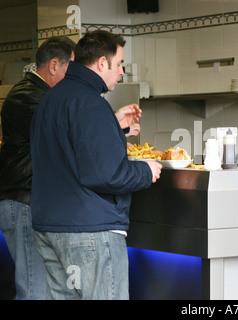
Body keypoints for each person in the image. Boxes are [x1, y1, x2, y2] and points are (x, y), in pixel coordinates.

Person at [30, 30, 162, 300]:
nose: (122, 72)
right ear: (102, 63)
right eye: (120, 64)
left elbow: (69, 150)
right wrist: (146, 171)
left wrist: (113, 128)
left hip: (49, 228)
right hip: (89, 231)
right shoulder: (91, 103)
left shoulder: (51, 99)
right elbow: (105, 174)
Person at [0, 36, 76, 300]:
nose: (74, 76)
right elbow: (61, 135)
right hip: (24, 203)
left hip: (31, 202)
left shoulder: (40, 95)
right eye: (71, 68)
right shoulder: (29, 97)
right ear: (54, 65)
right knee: (34, 291)